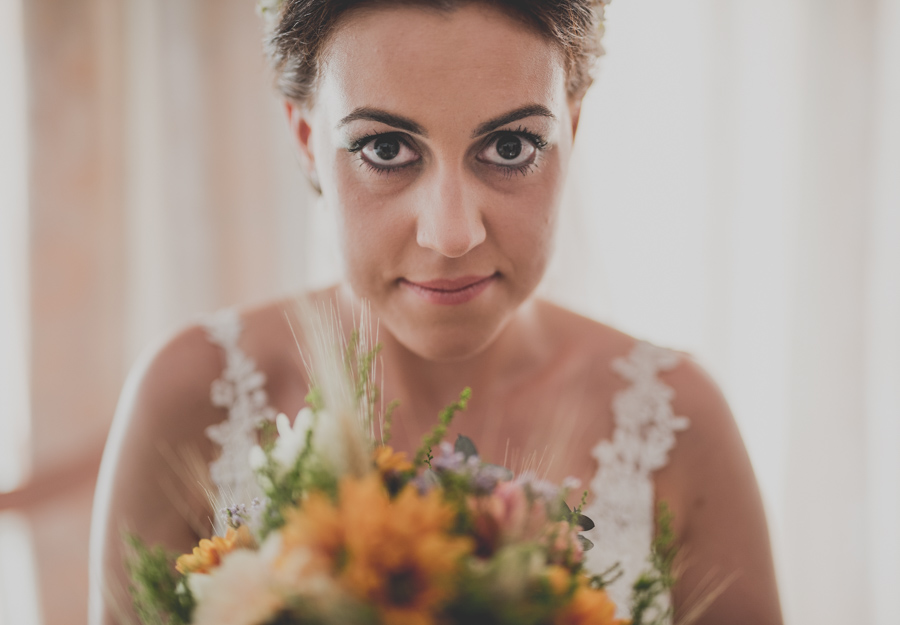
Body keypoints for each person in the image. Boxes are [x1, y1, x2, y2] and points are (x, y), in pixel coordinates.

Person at [89, 1, 783, 623]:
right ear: (305, 136)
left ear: (571, 127)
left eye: (510, 146)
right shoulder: (190, 398)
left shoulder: (677, 419)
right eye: (385, 149)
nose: (452, 233)